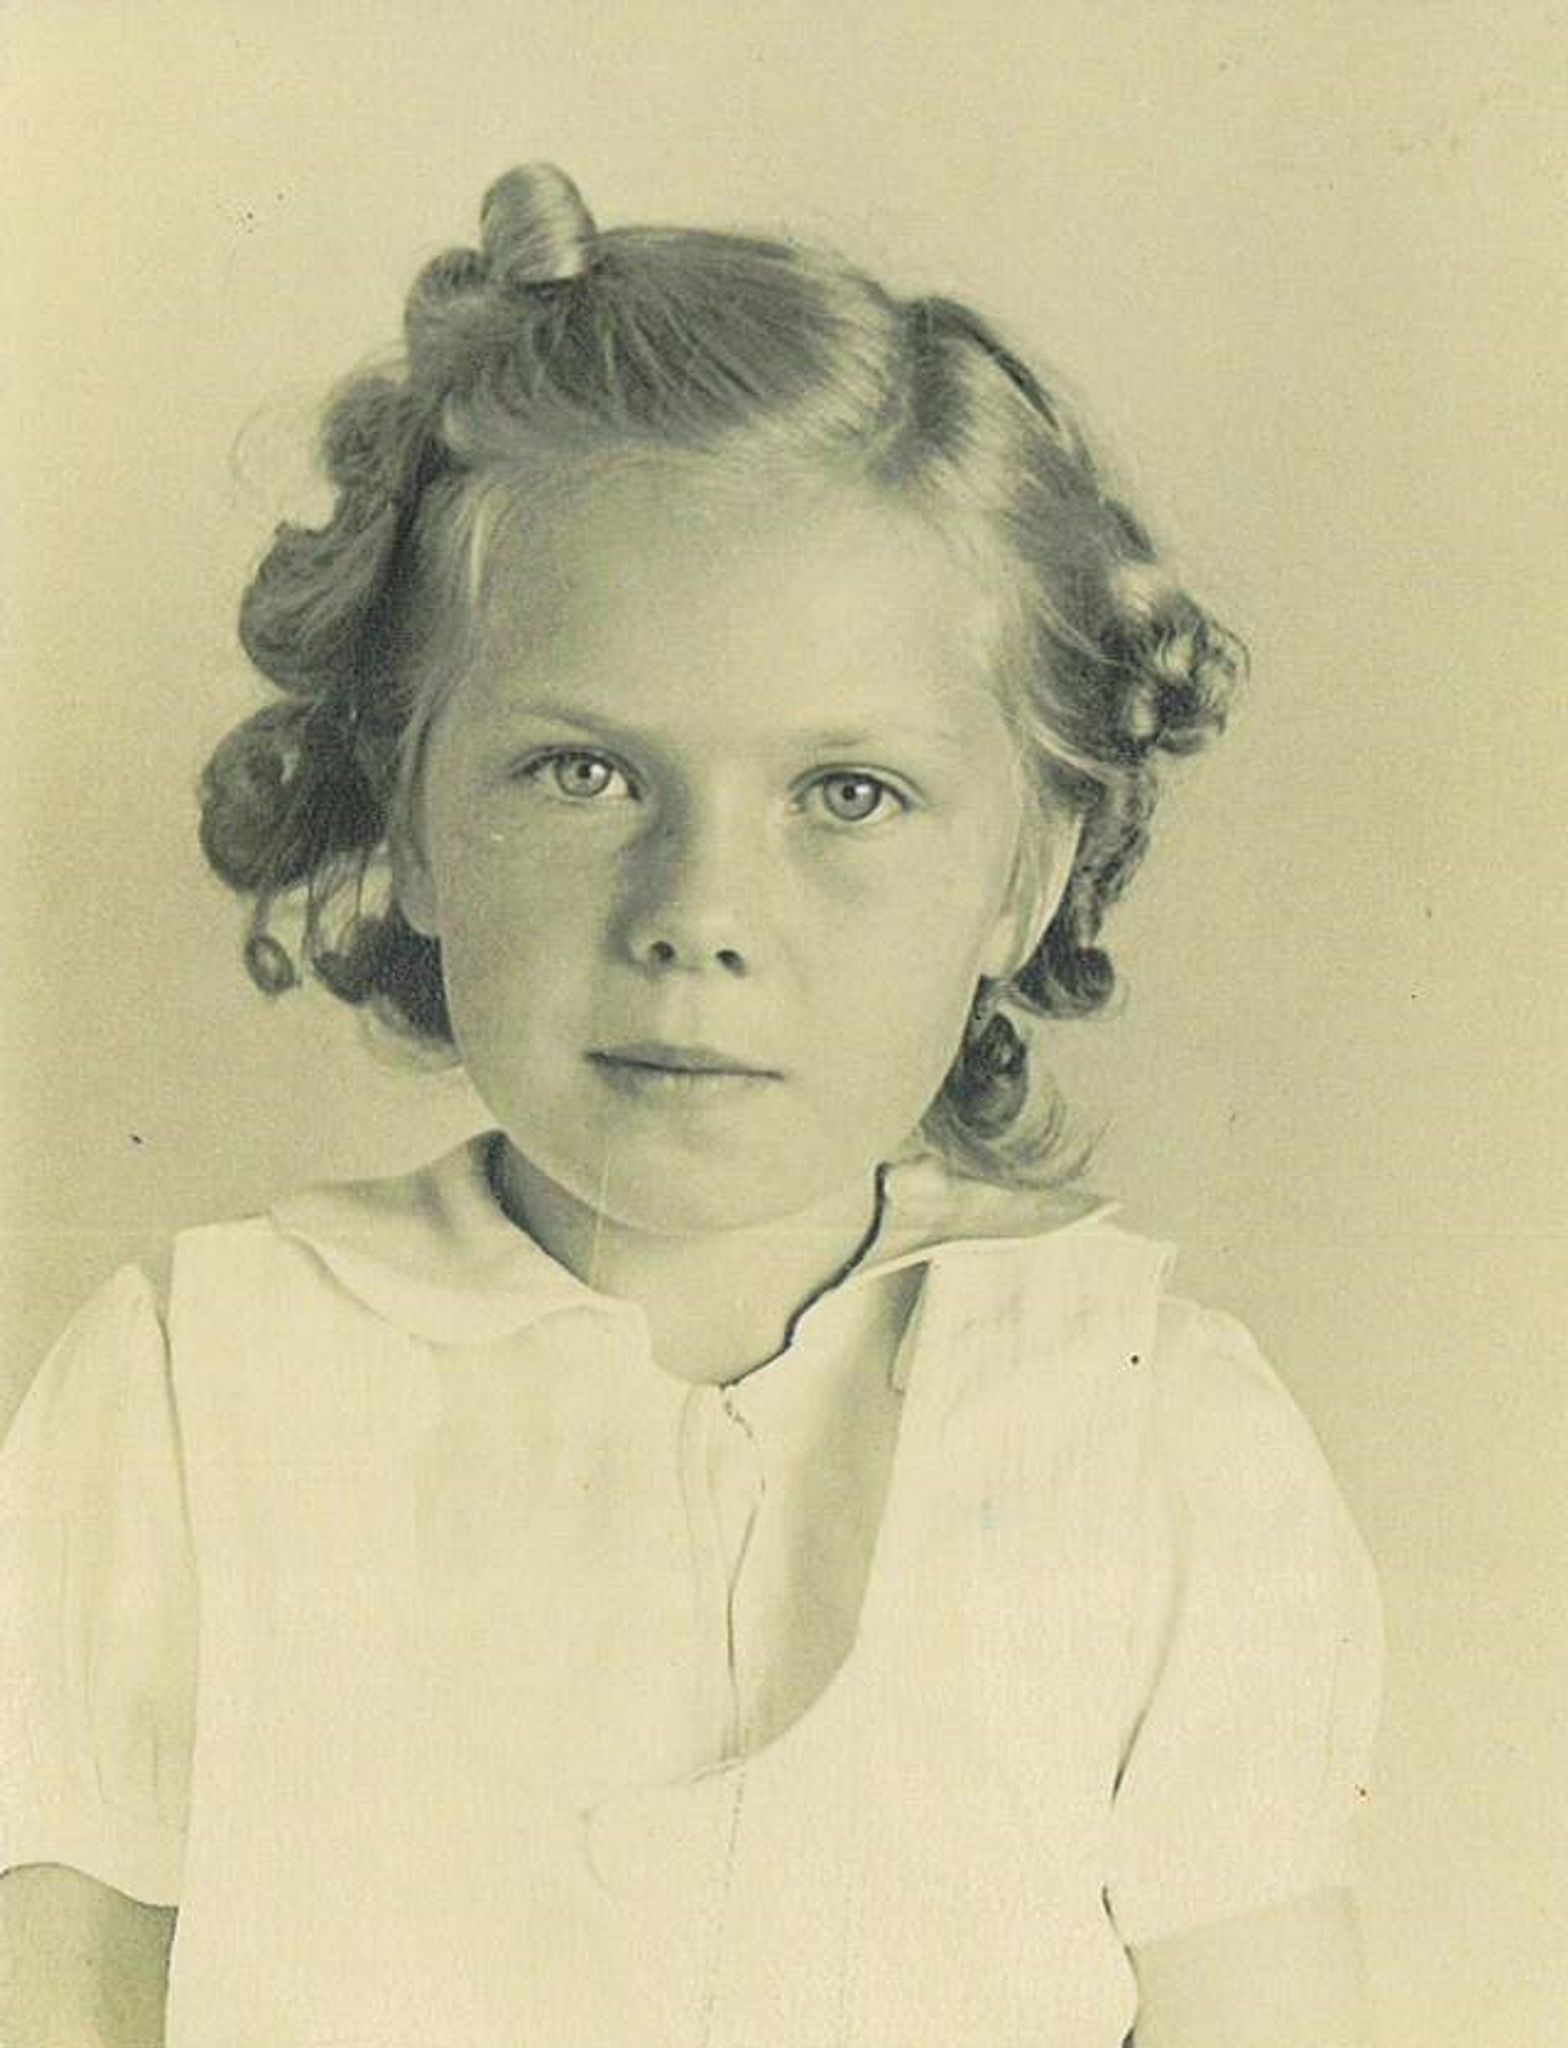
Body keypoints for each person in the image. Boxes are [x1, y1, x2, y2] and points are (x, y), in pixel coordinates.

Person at [0, 165, 1382, 2048]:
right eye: (584, 773)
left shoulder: (1155, 1442)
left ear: (1026, 876)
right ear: (412, 820)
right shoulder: (188, 1397)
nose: (699, 916)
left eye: (848, 795)